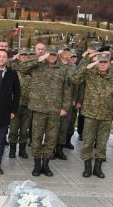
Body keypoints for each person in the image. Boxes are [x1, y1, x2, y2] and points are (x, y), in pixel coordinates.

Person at [15, 46, 71, 177]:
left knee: (51, 138)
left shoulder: (63, 69)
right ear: (46, 54)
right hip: (38, 108)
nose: (51, 56)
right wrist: (38, 59)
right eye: (49, 54)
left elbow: (67, 91)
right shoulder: (37, 66)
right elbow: (21, 68)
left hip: (54, 110)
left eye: (53, 54)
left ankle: (46, 165)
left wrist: (64, 108)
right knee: (37, 137)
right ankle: (37, 164)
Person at [71, 51, 113, 178]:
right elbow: (74, 78)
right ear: (97, 63)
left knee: (102, 143)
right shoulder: (89, 75)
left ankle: (98, 168)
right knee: (87, 142)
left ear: (109, 64)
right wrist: (87, 66)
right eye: (100, 62)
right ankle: (87, 167)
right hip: (90, 115)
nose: (103, 65)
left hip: (106, 116)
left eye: (105, 62)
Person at [8, 49, 32, 158]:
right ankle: (12, 149)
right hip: (15, 104)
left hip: (28, 104)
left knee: (24, 129)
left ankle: (22, 149)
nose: (24, 56)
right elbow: (6, 64)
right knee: (13, 129)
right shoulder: (14, 68)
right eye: (22, 54)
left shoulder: (32, 69)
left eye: (26, 55)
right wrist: (14, 58)